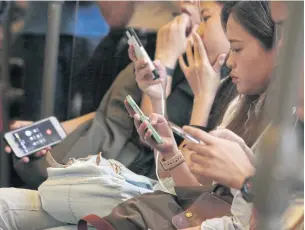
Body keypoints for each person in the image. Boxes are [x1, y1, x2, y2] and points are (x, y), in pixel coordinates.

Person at [92, 1, 277, 229]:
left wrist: (199, 97)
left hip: (161, 201)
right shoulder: (239, 99)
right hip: (168, 205)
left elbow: (198, 195)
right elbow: (195, 191)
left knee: (57, 194)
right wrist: (168, 148)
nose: (194, 30)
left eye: (204, 18)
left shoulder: (225, 87)